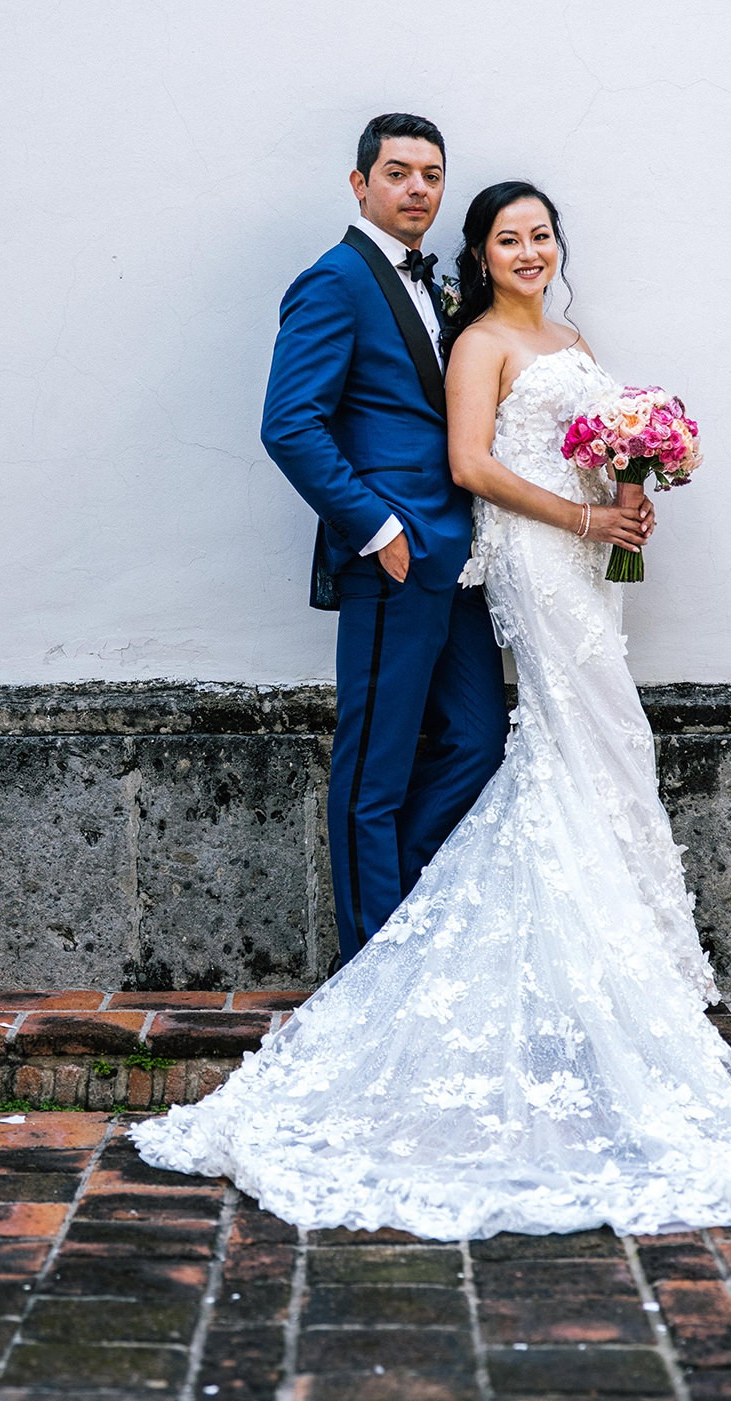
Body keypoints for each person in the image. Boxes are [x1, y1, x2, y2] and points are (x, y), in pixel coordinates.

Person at [132, 176, 731, 1239]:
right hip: (515, 555)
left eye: (540, 235)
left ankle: (572, 949)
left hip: (570, 558)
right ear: (477, 252)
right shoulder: (461, 332)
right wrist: (570, 522)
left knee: (551, 743)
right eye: (507, 237)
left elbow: (601, 440)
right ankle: (392, 962)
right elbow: (453, 458)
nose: (527, 250)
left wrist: (639, 481)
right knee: (510, 745)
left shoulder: (565, 331)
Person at [256, 114, 526, 972]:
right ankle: (371, 971)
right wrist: (376, 530)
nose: (418, 189)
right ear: (360, 183)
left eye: (432, 175)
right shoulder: (333, 280)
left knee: (480, 741)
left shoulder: (433, 283)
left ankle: (401, 901)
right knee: (373, 772)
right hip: (394, 558)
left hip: (462, 559)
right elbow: (289, 425)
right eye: (399, 173)